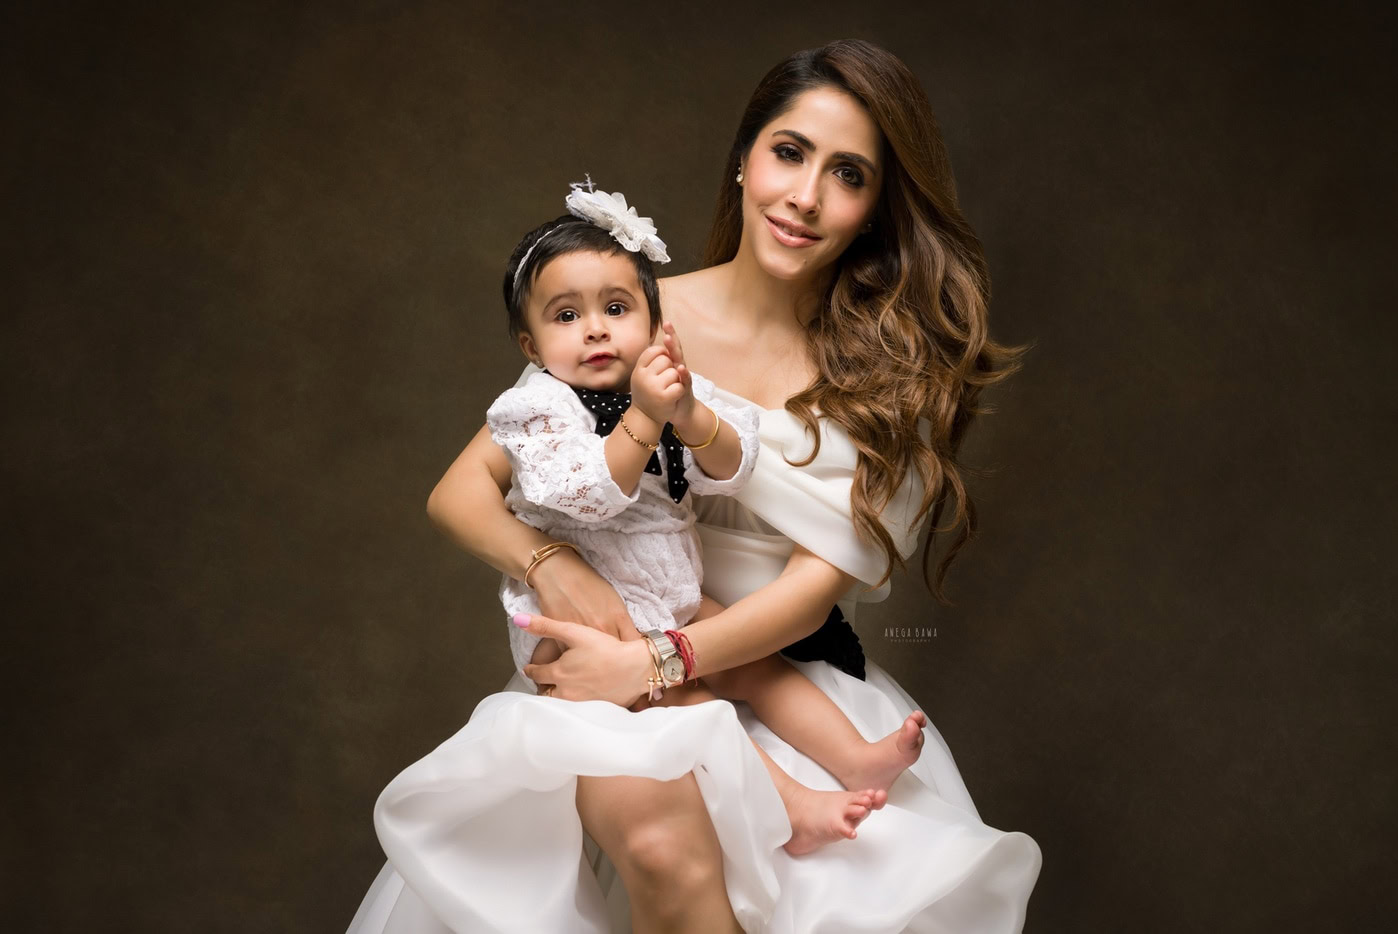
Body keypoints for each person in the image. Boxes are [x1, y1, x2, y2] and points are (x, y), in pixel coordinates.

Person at [348, 39, 1041, 934]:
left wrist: (657, 658)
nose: (805, 195)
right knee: (662, 849)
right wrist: (556, 567)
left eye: (848, 174)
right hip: (613, 667)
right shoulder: (623, 314)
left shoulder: (895, 380)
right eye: (789, 152)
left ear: (876, 208)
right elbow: (460, 492)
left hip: (782, 683)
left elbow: (807, 596)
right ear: (745, 159)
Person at [486, 181, 931, 855]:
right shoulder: (538, 411)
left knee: (758, 666)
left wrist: (691, 415)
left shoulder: (656, 387)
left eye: (616, 308)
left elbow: (734, 466)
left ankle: (857, 757)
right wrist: (646, 417)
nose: (596, 328)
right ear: (530, 344)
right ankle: (792, 809)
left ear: (652, 321)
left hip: (672, 592)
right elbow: (590, 494)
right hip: (592, 616)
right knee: (692, 708)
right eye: (566, 316)